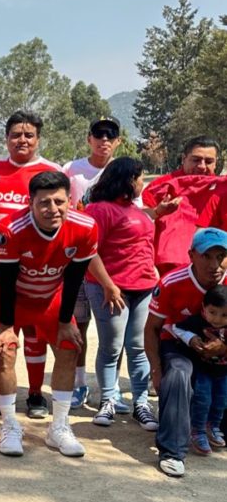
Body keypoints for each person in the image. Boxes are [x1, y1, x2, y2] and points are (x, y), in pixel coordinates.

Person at [0, 171, 96, 458]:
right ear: (30, 203)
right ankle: (10, 424)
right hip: (10, 296)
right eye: (44, 203)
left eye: (59, 202)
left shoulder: (85, 227)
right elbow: (7, 282)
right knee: (5, 351)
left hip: (50, 294)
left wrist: (64, 322)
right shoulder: (9, 230)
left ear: (70, 200)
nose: (53, 209)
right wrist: (6, 326)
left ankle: (59, 427)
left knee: (70, 345)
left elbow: (74, 278)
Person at [0, 111, 63, 418]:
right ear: (6, 138)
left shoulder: (52, 172)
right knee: (3, 336)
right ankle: (5, 394)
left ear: (38, 139)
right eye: (16, 134)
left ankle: (35, 394)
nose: (22, 140)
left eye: (29, 135)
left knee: (35, 334)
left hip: (37, 269)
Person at [81, 157, 164, 431]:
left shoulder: (135, 209)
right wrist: (108, 284)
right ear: (127, 179)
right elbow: (89, 251)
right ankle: (108, 400)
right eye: (139, 178)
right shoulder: (99, 209)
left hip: (143, 287)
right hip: (111, 290)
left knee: (138, 347)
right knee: (111, 347)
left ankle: (141, 404)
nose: (142, 183)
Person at [144, 228, 227, 477]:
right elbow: (152, 329)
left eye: (221, 256)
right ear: (191, 255)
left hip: (222, 348)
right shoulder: (171, 282)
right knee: (178, 375)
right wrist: (156, 370)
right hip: (178, 345)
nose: (215, 265)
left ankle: (213, 426)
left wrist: (224, 346)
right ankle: (172, 451)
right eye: (206, 256)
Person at [62, 117, 123, 410]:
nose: (104, 140)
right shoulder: (72, 170)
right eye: (99, 135)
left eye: (111, 135)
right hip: (77, 262)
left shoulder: (123, 171)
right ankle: (79, 384)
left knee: (114, 332)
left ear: (118, 141)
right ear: (89, 139)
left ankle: (112, 389)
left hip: (113, 265)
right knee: (79, 326)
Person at [164, 285, 227, 455]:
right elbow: (175, 327)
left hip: (223, 374)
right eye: (212, 312)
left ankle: (213, 427)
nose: (217, 319)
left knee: (221, 401)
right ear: (204, 308)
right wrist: (191, 338)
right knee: (202, 400)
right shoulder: (197, 321)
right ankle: (198, 431)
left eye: (224, 315)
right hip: (203, 371)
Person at [143, 136, 219, 275]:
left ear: (216, 163)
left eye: (209, 161)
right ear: (184, 158)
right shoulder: (161, 186)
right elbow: (140, 220)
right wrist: (158, 211)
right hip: (166, 269)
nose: (202, 166)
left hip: (213, 268)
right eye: (196, 160)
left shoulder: (222, 189)